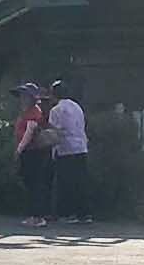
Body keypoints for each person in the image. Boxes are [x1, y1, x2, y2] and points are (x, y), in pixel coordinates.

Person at [45, 80, 92, 228]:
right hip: (81, 146)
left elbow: (54, 132)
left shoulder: (56, 110)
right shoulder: (77, 107)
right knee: (80, 181)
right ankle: (83, 213)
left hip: (65, 149)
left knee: (66, 182)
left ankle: (67, 213)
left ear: (54, 94)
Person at [8, 81, 53, 225]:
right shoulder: (26, 112)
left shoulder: (33, 112)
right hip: (29, 151)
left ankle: (37, 215)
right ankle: (34, 214)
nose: (22, 99)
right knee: (30, 183)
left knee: (34, 183)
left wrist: (19, 149)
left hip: (33, 151)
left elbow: (29, 132)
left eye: (25, 96)